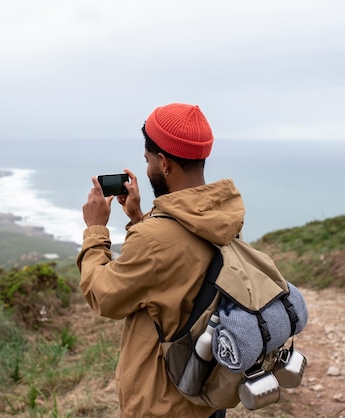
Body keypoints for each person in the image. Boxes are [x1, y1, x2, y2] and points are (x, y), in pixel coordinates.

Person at [77, 103, 244, 418]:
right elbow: (176, 271)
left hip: (163, 401)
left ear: (164, 163)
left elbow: (104, 296)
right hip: (208, 391)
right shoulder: (221, 215)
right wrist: (140, 219)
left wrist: (96, 230)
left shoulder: (157, 239)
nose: (148, 167)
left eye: (148, 160)